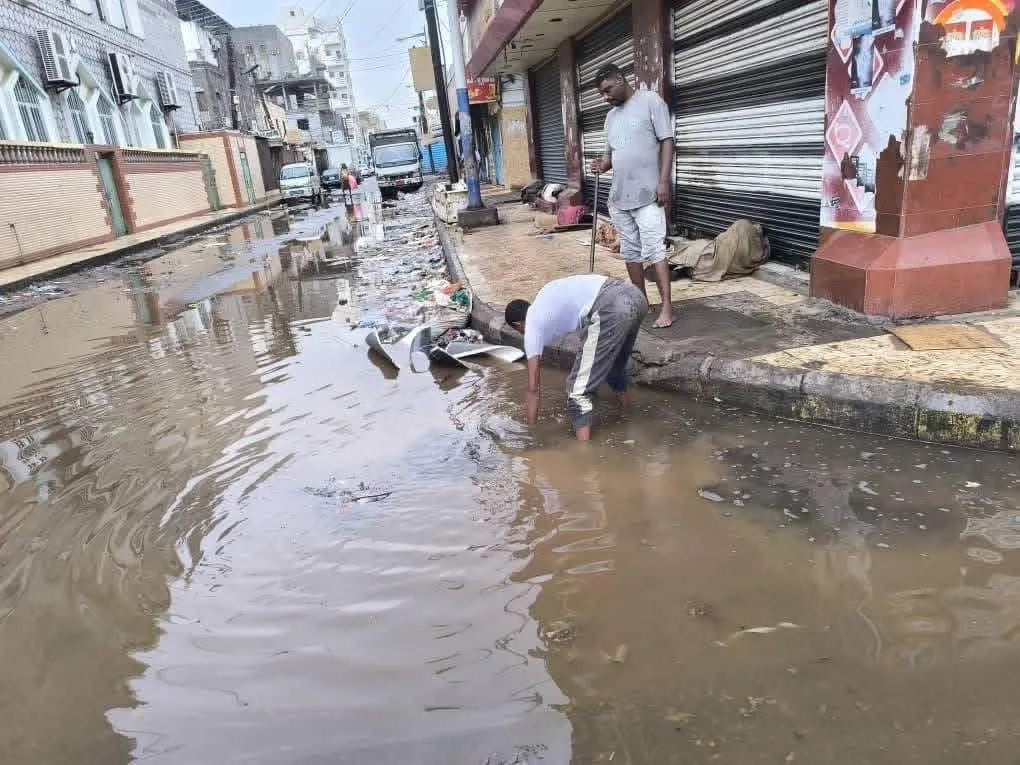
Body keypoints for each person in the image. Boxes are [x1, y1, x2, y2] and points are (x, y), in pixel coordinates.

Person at [505, 274, 647, 441]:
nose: (523, 334)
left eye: (519, 331)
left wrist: (530, 433)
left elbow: (533, 388)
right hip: (636, 296)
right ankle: (627, 414)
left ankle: (584, 454)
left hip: (611, 308)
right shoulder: (545, 294)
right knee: (614, 366)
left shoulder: (532, 325)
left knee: (577, 392)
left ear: (518, 325)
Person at [590, 63, 675, 328]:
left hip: (648, 193)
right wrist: (602, 164)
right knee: (630, 252)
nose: (605, 97)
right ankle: (641, 303)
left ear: (621, 80)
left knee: (654, 249)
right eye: (601, 94)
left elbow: (667, 141)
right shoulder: (610, 118)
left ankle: (667, 309)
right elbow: (610, 155)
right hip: (619, 197)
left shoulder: (650, 101)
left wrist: (663, 181)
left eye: (608, 90)